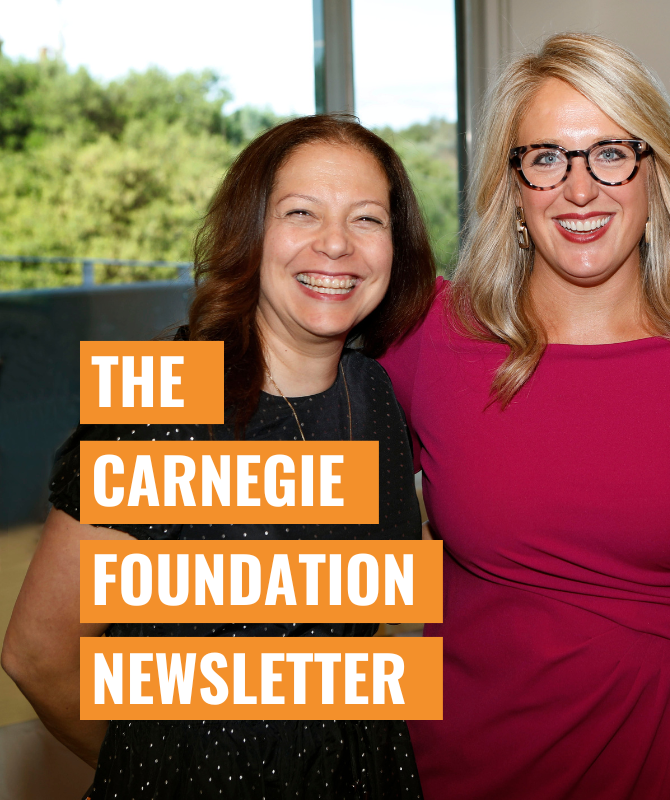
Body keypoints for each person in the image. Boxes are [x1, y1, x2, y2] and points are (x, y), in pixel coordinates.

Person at [379, 32, 670, 800]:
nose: (579, 190)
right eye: (546, 158)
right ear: (512, 187)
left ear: (656, 173)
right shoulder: (435, 337)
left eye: (611, 153)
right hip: (474, 766)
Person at [1, 114, 436, 799]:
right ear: (250, 233)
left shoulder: (375, 395)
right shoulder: (163, 397)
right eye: (301, 212)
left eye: (367, 219)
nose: (336, 243)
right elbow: (37, 656)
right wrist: (161, 771)